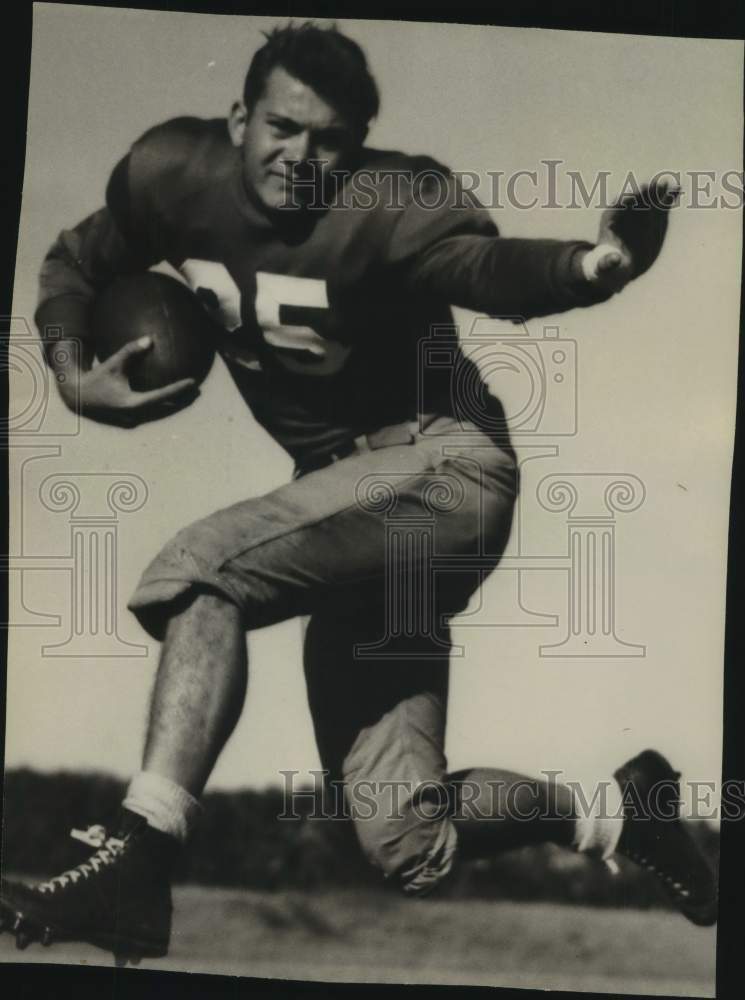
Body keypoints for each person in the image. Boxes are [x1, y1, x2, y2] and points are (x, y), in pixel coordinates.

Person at [1, 21, 716, 964]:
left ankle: (141, 854)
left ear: (359, 146)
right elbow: (73, 260)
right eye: (282, 128)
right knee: (406, 840)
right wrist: (67, 367)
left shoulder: (390, 199)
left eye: (328, 139)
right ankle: (621, 814)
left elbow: (486, 270)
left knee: (200, 569)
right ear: (237, 117)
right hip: (354, 509)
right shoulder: (173, 178)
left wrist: (596, 266)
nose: (300, 157)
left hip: (446, 470)